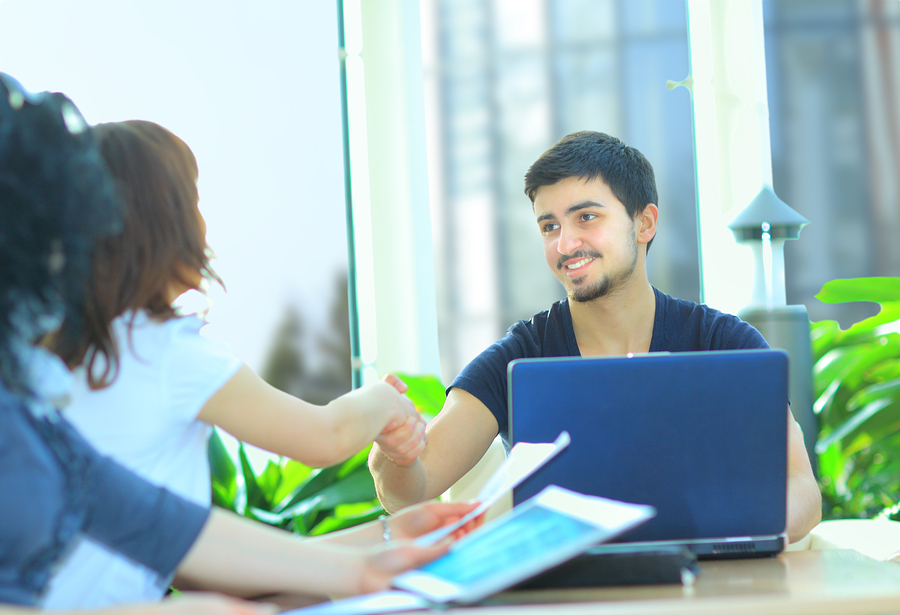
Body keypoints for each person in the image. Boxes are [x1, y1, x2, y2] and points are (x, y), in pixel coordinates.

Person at [0, 73, 474, 613]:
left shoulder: (42, 400)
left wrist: (374, 554)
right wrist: (384, 406)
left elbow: (165, 532)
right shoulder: (157, 350)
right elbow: (324, 436)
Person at [369, 130, 823, 544]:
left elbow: (802, 489)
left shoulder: (725, 342)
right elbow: (413, 490)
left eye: (586, 217)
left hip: (708, 584)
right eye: (550, 226)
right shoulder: (519, 356)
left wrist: (716, 529)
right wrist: (394, 454)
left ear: (644, 223)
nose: (565, 244)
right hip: (569, 596)